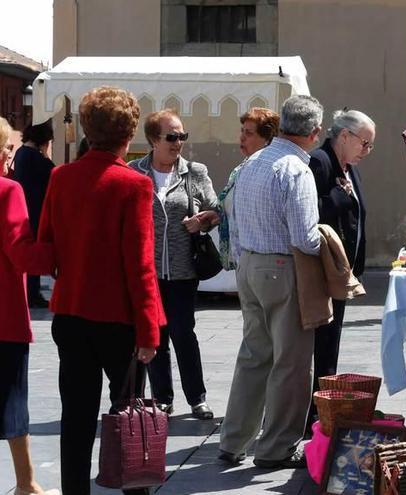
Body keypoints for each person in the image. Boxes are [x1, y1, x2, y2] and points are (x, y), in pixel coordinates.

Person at [38, 86, 163, 495]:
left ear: (89, 131)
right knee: (129, 416)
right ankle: (134, 489)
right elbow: (140, 265)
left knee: (75, 417)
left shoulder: (61, 177)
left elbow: (46, 249)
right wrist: (148, 332)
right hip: (120, 321)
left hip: (72, 314)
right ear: (129, 135)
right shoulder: (133, 184)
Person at [218, 94, 323, 468]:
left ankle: (233, 440)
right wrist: (329, 240)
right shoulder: (296, 169)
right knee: (291, 363)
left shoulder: (252, 163)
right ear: (314, 132)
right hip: (281, 267)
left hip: (249, 266)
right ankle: (276, 446)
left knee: (254, 357)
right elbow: (305, 238)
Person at [0, 111, 58, 495]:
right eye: (8, 148)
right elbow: (23, 255)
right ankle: (27, 484)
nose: (11, 156)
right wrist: (57, 253)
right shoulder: (6, 191)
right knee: (13, 407)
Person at [128, 109, 219, 420]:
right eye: (171, 136)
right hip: (147, 272)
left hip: (182, 271)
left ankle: (198, 398)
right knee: (155, 336)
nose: (178, 142)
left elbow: (215, 209)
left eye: (182, 136)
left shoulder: (194, 172)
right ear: (154, 139)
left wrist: (204, 220)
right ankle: (162, 399)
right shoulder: (134, 172)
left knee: (184, 333)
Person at [306, 109, 375, 430]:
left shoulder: (350, 169)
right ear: (344, 136)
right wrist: (338, 194)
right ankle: (313, 412)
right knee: (320, 342)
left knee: (330, 343)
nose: (367, 151)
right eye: (365, 143)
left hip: (341, 269)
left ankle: (322, 407)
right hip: (322, 269)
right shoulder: (320, 162)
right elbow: (310, 209)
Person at [217, 107, 280, 270]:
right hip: (242, 261)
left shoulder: (272, 171)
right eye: (242, 131)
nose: (242, 138)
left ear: (268, 139)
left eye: (249, 133)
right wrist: (213, 215)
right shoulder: (241, 169)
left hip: (264, 263)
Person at [12, 119, 55, 308]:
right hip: (36, 209)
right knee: (35, 252)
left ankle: (30, 291)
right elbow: (53, 172)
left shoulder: (21, 153)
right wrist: (45, 155)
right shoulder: (36, 157)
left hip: (25, 207)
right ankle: (32, 292)